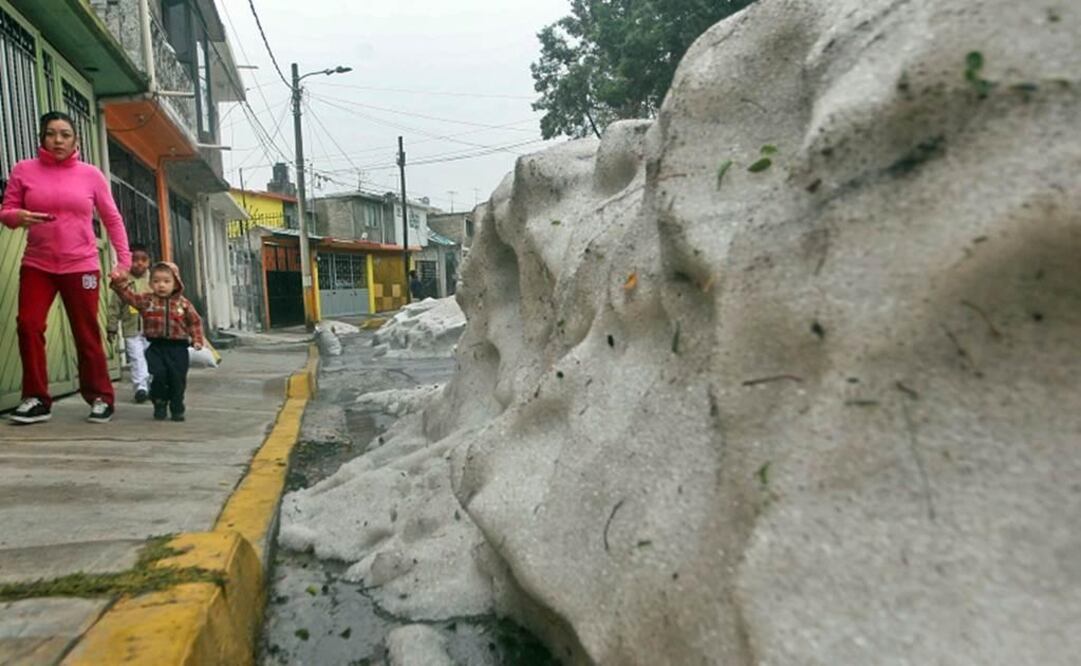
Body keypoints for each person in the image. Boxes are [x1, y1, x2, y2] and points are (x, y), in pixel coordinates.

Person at [1, 111, 131, 425]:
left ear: (76, 140)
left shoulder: (91, 175)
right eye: (51, 134)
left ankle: (100, 397)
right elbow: (6, 211)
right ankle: (36, 399)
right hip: (38, 265)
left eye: (65, 134)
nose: (58, 140)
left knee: (86, 333)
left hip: (81, 266)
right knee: (28, 325)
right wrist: (18, 217)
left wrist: (123, 262)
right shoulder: (24, 170)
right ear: (41, 138)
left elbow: (112, 219)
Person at [111, 262, 204, 422]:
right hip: (156, 347)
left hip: (178, 349)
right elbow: (129, 297)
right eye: (156, 281)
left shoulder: (183, 304)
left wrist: (197, 339)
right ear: (151, 283)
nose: (161, 285)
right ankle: (159, 403)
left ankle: (177, 406)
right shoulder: (147, 300)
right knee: (158, 375)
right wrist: (119, 283)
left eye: (166, 281)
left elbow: (194, 322)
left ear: (176, 283)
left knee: (177, 379)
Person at [106, 243, 152, 403]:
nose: (139, 263)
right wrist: (111, 327)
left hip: (151, 329)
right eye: (135, 259)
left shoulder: (154, 281)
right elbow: (114, 307)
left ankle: (152, 384)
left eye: (143, 260)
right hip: (131, 329)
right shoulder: (123, 281)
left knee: (151, 357)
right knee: (136, 357)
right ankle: (141, 387)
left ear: (149, 262)